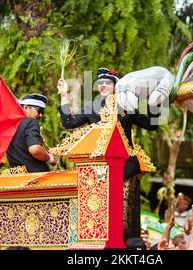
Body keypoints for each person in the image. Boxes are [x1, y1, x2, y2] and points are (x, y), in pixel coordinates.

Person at [57, 67, 159, 245]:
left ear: (115, 86)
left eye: (108, 83)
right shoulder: (92, 108)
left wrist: (156, 100)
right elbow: (68, 122)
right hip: (99, 166)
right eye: (100, 83)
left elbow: (152, 125)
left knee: (117, 194)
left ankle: (125, 238)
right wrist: (64, 94)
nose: (103, 86)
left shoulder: (126, 106)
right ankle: (94, 234)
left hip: (125, 162)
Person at [6, 93, 56, 172]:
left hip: (16, 177)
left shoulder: (10, 125)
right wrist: (51, 159)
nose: (41, 115)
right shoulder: (31, 122)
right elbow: (35, 149)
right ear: (26, 107)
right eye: (39, 111)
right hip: (35, 178)